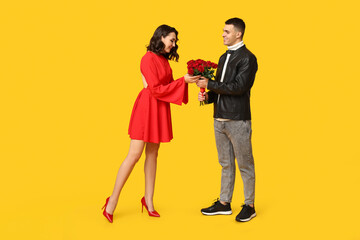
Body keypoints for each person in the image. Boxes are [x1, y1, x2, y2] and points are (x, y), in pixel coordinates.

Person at [102, 25, 199, 223]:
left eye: (174, 41)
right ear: (161, 37)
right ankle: (112, 200)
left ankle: (149, 200)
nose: (174, 44)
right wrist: (183, 81)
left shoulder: (163, 60)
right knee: (134, 154)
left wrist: (186, 82)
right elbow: (155, 88)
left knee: (153, 154)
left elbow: (169, 86)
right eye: (171, 40)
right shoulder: (147, 58)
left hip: (160, 107)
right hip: (147, 107)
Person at [197, 18, 258, 222]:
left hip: (238, 120)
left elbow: (239, 87)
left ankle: (249, 205)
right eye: (223, 31)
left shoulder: (248, 58)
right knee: (225, 163)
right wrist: (208, 97)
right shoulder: (223, 58)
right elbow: (221, 87)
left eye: (226, 31)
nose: (222, 34)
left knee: (245, 164)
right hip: (219, 119)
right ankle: (224, 203)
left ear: (238, 34)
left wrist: (211, 83)